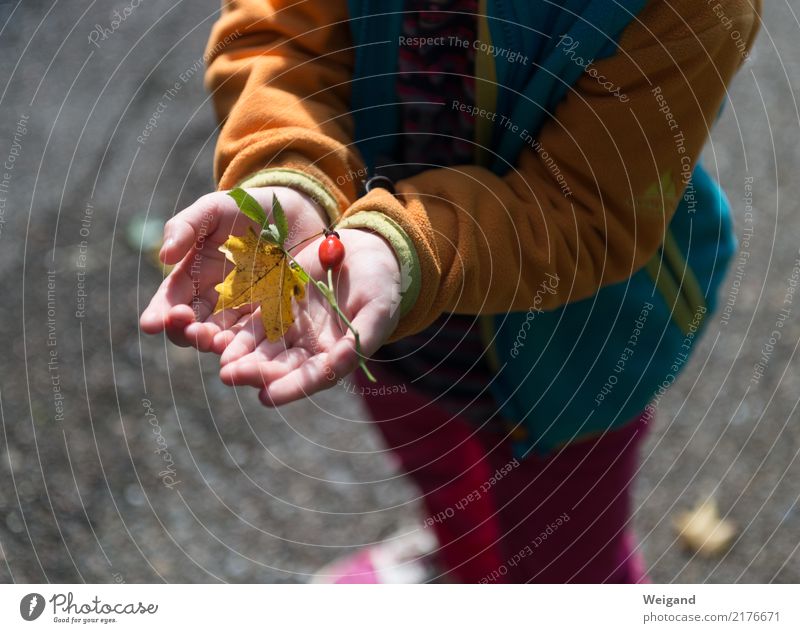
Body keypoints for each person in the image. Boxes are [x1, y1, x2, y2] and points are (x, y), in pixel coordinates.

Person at [140, 0, 761, 582]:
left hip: (571, 353)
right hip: (375, 316)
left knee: (565, 554)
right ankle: (462, 567)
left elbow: (589, 207)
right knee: (439, 472)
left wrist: (400, 248)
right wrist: (292, 169)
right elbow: (277, 29)